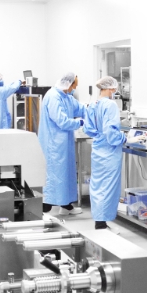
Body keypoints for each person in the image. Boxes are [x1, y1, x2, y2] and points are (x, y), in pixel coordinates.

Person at [84, 76, 147, 230]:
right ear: (111, 89)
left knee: (98, 187)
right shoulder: (111, 105)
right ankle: (102, 224)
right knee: (109, 187)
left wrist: (119, 125)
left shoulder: (93, 104)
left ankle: (100, 221)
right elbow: (111, 134)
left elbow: (88, 128)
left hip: (98, 149)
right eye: (115, 89)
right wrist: (128, 139)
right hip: (109, 152)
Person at [38, 72, 87, 215]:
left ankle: (66, 205)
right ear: (68, 84)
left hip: (64, 143)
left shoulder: (66, 97)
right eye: (74, 86)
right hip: (53, 143)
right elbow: (62, 121)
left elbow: (80, 108)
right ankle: (45, 208)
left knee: (66, 173)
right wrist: (80, 122)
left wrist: (96, 108)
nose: (75, 89)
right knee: (54, 174)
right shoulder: (53, 96)